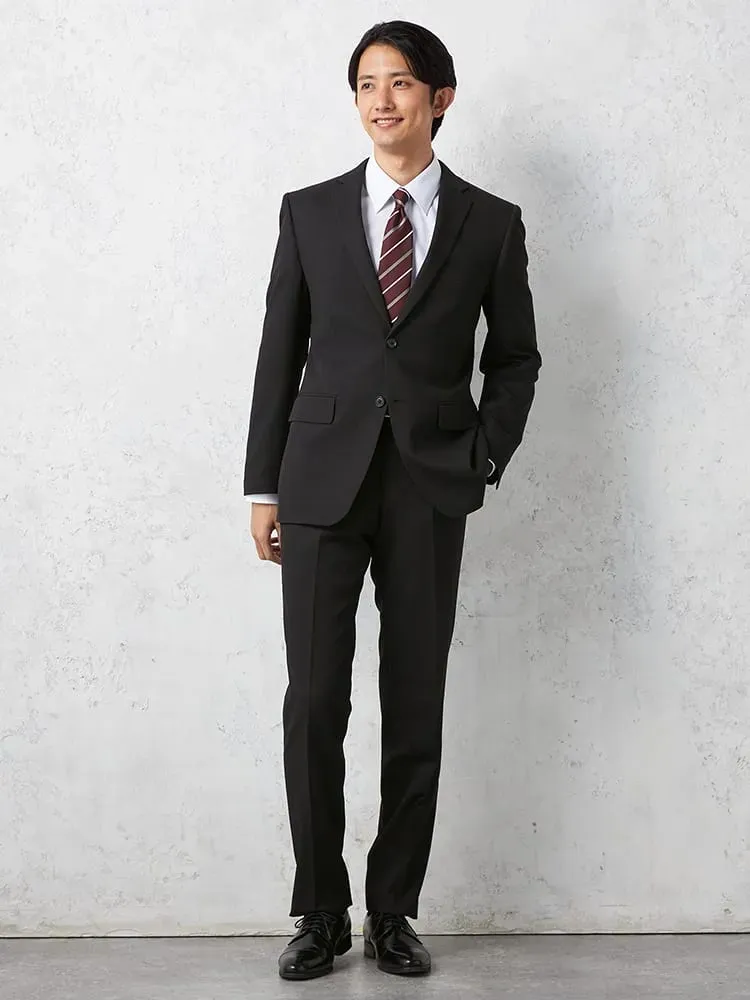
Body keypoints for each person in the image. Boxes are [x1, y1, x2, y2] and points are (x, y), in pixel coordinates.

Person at [243, 19, 541, 981]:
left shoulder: (490, 222)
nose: (382, 100)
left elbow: (516, 357)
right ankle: (320, 910)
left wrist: (483, 455)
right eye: (367, 83)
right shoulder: (309, 212)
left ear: (439, 99)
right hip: (318, 484)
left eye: (401, 82)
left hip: (429, 484)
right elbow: (278, 351)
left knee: (415, 700)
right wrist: (262, 484)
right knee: (313, 702)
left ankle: (393, 909)